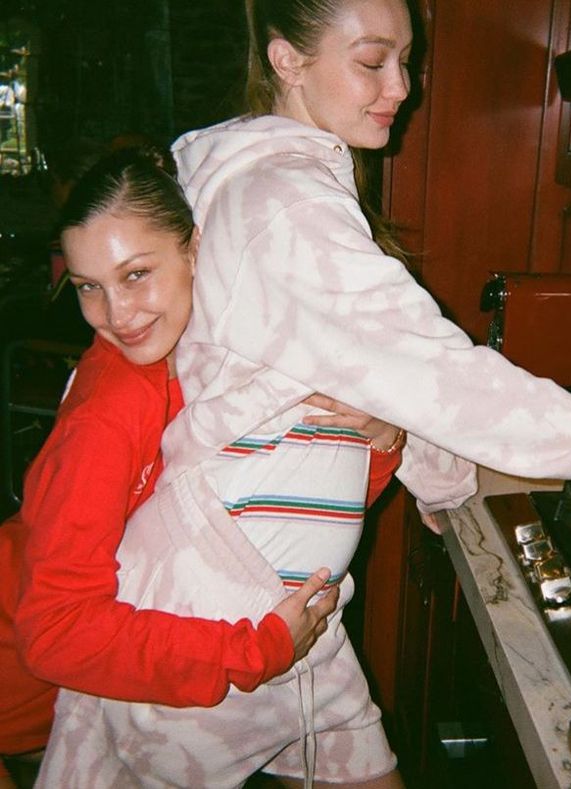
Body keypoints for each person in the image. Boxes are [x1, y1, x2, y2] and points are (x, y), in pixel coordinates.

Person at [30, 0, 571, 787]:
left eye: (406, 60)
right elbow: (451, 383)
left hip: (292, 606)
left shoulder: (273, 181)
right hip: (219, 615)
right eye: (371, 61)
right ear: (287, 61)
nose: (401, 87)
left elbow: (368, 373)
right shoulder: (284, 207)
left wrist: (423, 463)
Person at [4, 148, 403, 787]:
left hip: (173, 654)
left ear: (195, 249)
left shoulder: (217, 351)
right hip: (33, 690)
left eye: (135, 274)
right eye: (89, 288)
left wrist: (378, 442)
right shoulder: (111, 409)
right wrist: (254, 651)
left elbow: (288, 492)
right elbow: (54, 632)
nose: (116, 315)